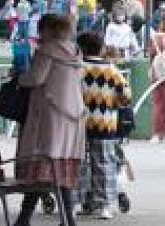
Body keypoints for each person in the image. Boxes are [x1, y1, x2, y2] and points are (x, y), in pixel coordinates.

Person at [11, 14, 84, 226]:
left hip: (49, 115)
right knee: (61, 167)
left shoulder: (46, 51)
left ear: (48, 31)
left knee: (41, 167)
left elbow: (36, 78)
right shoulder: (75, 52)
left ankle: (24, 218)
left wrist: (18, 78)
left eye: (41, 30)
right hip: (73, 117)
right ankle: (68, 218)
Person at [75, 31, 131, 219]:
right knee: (104, 165)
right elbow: (126, 97)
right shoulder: (111, 70)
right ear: (101, 48)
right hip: (105, 124)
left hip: (79, 124)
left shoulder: (77, 69)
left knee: (80, 164)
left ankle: (81, 202)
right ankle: (106, 204)